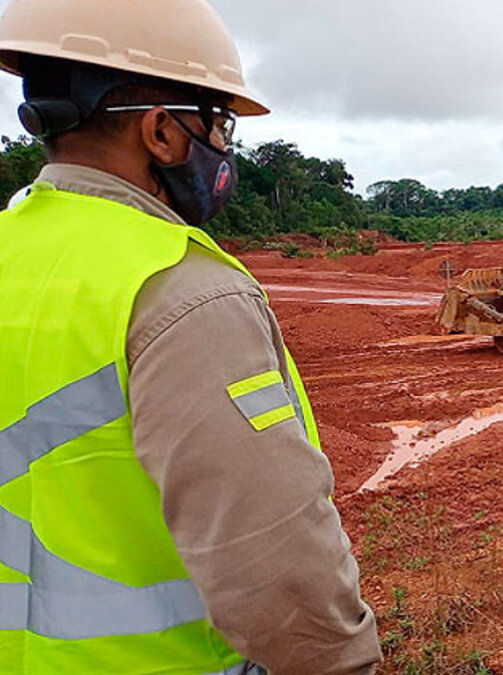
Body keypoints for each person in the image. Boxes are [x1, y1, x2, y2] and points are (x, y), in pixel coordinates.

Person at [0, 1, 381, 672]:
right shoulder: (182, 291)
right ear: (163, 134)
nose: (225, 148)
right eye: (218, 125)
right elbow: (284, 585)